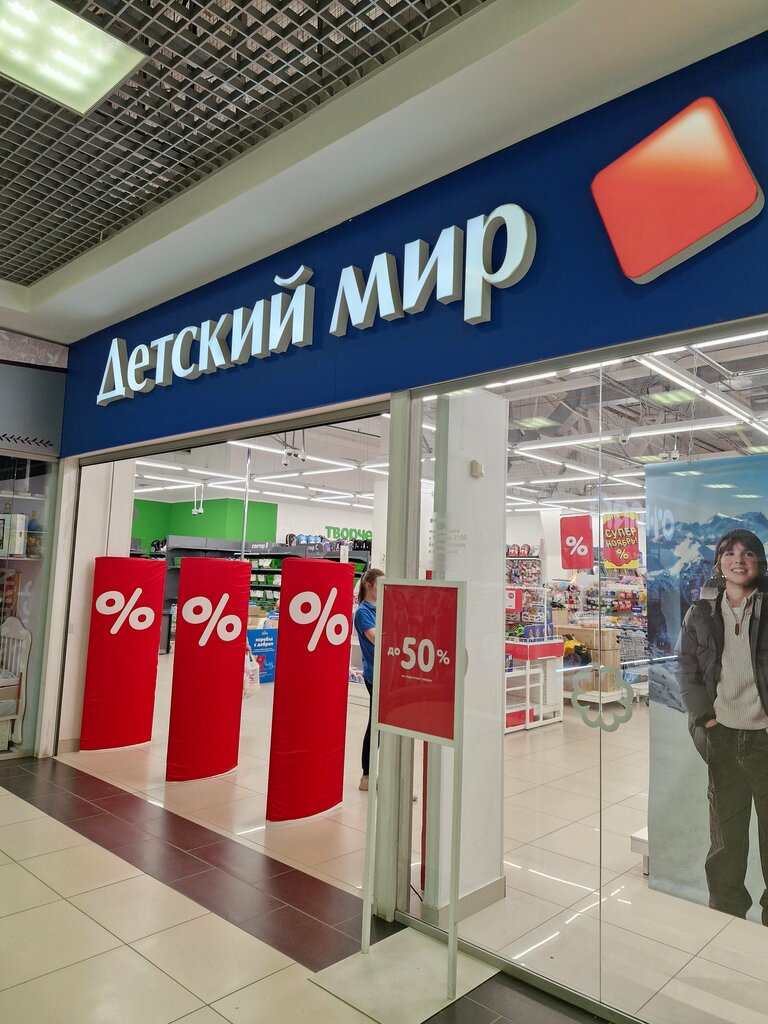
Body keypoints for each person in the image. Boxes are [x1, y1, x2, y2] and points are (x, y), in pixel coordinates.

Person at [677, 528, 768, 923]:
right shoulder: (700, 613)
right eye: (730, 553)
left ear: (760, 562)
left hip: (764, 738)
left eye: (748, 553)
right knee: (726, 840)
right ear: (718, 563)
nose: (739, 560)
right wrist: (706, 720)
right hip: (723, 737)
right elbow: (687, 669)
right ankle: (726, 917)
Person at [354, 568, 384, 792]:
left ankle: (386, 776)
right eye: (380, 584)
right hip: (375, 675)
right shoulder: (363, 612)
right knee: (376, 725)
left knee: (384, 725)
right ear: (369, 585)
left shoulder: (382, 608)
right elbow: (377, 638)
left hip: (389, 673)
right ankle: (366, 775)